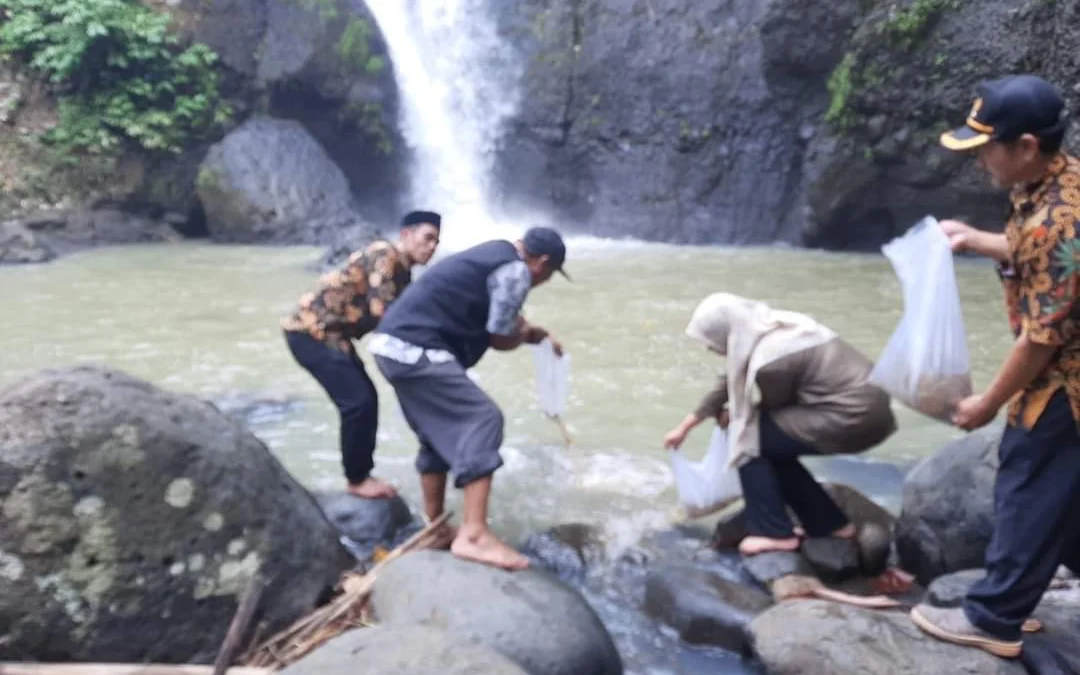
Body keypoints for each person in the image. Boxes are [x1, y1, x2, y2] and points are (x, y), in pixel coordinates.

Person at [909, 75, 1080, 659]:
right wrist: (979, 240)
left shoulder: (1058, 216)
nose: (980, 159)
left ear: (1026, 146)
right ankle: (1040, 585)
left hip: (1069, 379)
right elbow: (1045, 258)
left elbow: (1041, 340)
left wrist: (986, 404)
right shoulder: (1058, 183)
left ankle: (994, 618)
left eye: (987, 147)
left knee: (1027, 479)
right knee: (1067, 488)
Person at [369, 227, 568, 570]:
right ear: (543, 262)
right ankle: (474, 535)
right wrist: (526, 334)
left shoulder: (494, 252)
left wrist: (528, 333)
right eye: (548, 276)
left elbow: (495, 319)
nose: (543, 281)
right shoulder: (516, 270)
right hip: (418, 347)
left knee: (436, 433)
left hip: (392, 346)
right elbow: (499, 337)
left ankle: (434, 528)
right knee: (483, 418)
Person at [662, 293, 897, 557]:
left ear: (727, 332)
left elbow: (774, 407)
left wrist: (736, 418)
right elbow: (730, 378)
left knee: (748, 438)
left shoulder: (772, 359)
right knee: (770, 446)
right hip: (869, 411)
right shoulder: (776, 326)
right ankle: (830, 525)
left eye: (711, 340)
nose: (710, 348)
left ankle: (774, 533)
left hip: (849, 416)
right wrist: (687, 425)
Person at [282, 211, 441, 499]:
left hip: (330, 335)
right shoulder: (385, 254)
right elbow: (386, 314)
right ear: (406, 234)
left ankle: (359, 474)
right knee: (358, 402)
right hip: (310, 331)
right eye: (427, 238)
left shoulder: (404, 273)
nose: (432, 247)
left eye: (436, 242)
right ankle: (357, 480)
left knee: (363, 399)